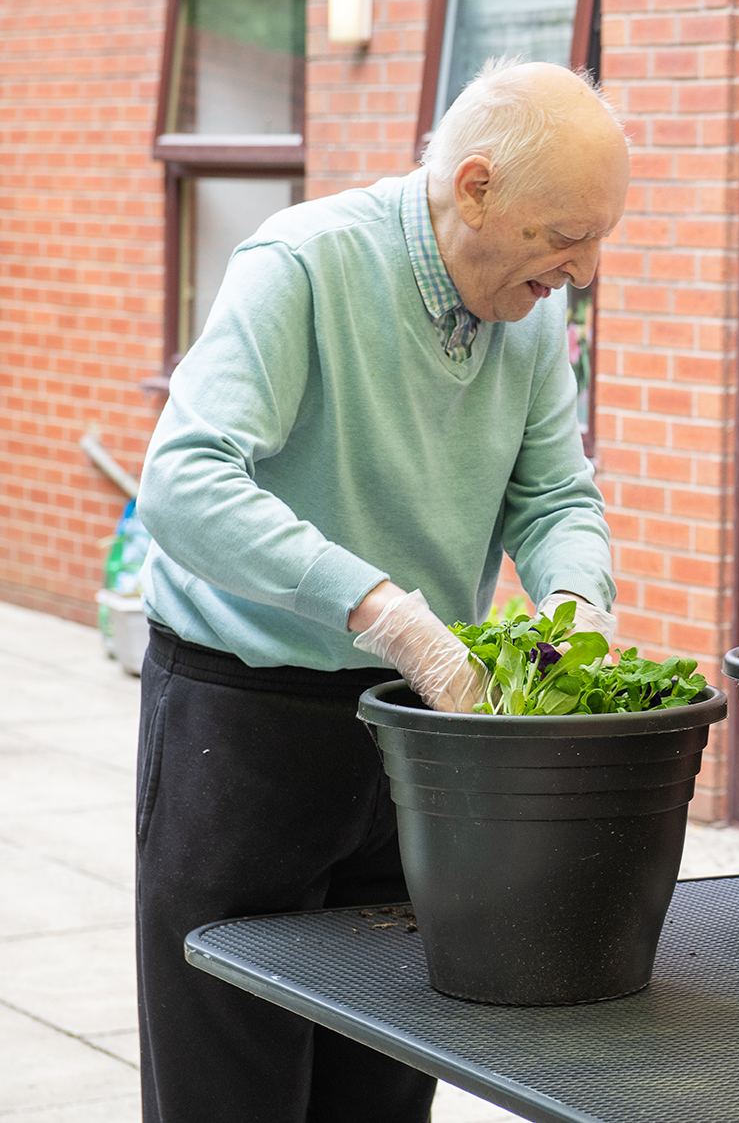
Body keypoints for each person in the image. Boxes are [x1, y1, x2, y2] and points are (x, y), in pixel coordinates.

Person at [134, 60, 624, 1122]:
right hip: (246, 724)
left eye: (597, 240)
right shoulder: (304, 264)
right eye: (566, 234)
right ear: (477, 185)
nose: (582, 270)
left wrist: (575, 605)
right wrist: (386, 610)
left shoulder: (532, 320)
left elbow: (554, 498)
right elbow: (181, 482)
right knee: (233, 1088)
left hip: (419, 733)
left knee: (389, 1081)